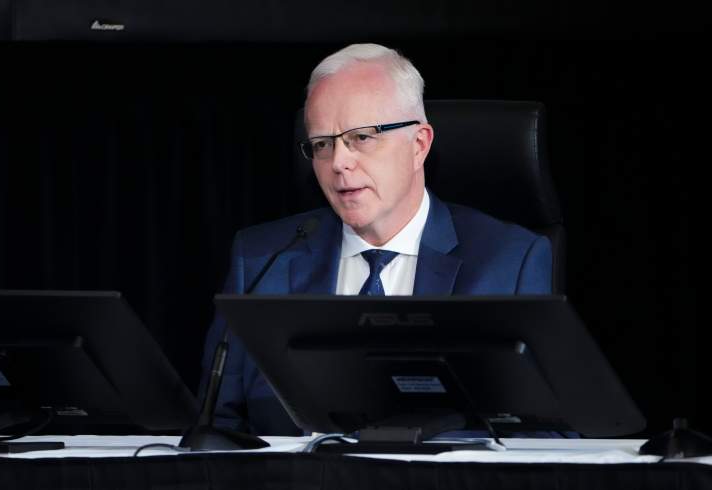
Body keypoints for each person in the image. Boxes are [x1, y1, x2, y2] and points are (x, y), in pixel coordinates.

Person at [200, 43, 552, 435]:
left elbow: (546, 433)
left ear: (419, 145)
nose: (338, 162)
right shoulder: (262, 260)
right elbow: (216, 427)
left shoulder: (510, 263)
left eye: (362, 137)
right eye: (322, 144)